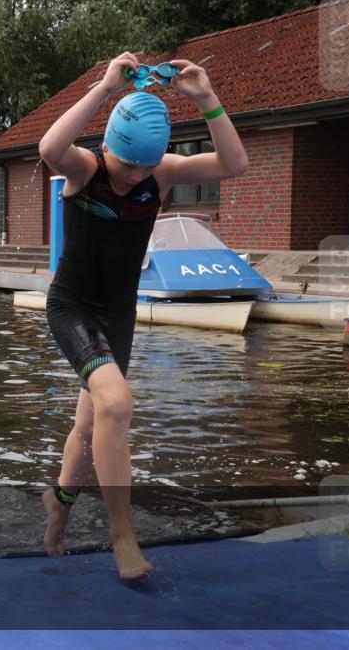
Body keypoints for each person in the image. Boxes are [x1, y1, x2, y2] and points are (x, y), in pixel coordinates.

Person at [37, 52, 248, 580]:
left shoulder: (163, 173)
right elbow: (48, 148)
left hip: (117, 314)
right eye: (127, 164)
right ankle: (123, 536)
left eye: (145, 167)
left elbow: (234, 164)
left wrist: (207, 99)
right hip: (72, 306)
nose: (135, 177)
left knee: (91, 424)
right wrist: (104, 88)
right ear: (108, 147)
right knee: (117, 403)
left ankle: (60, 501)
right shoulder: (85, 169)